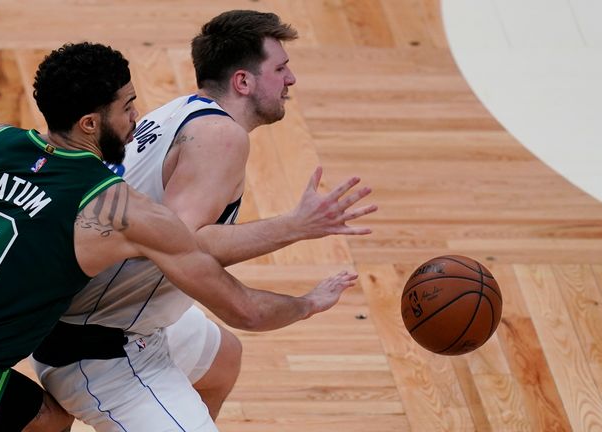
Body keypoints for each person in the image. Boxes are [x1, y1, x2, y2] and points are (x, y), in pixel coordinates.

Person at [0, 41, 359, 432]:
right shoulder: (114, 209)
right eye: (128, 106)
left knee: (49, 420)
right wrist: (307, 304)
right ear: (91, 122)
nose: (138, 118)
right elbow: (243, 308)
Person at [30, 10, 378, 432]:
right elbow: (186, 243)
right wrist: (298, 226)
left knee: (222, 359)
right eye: (281, 68)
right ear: (243, 82)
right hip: (95, 347)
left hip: (91, 311)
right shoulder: (221, 136)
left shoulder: (181, 110)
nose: (291, 80)